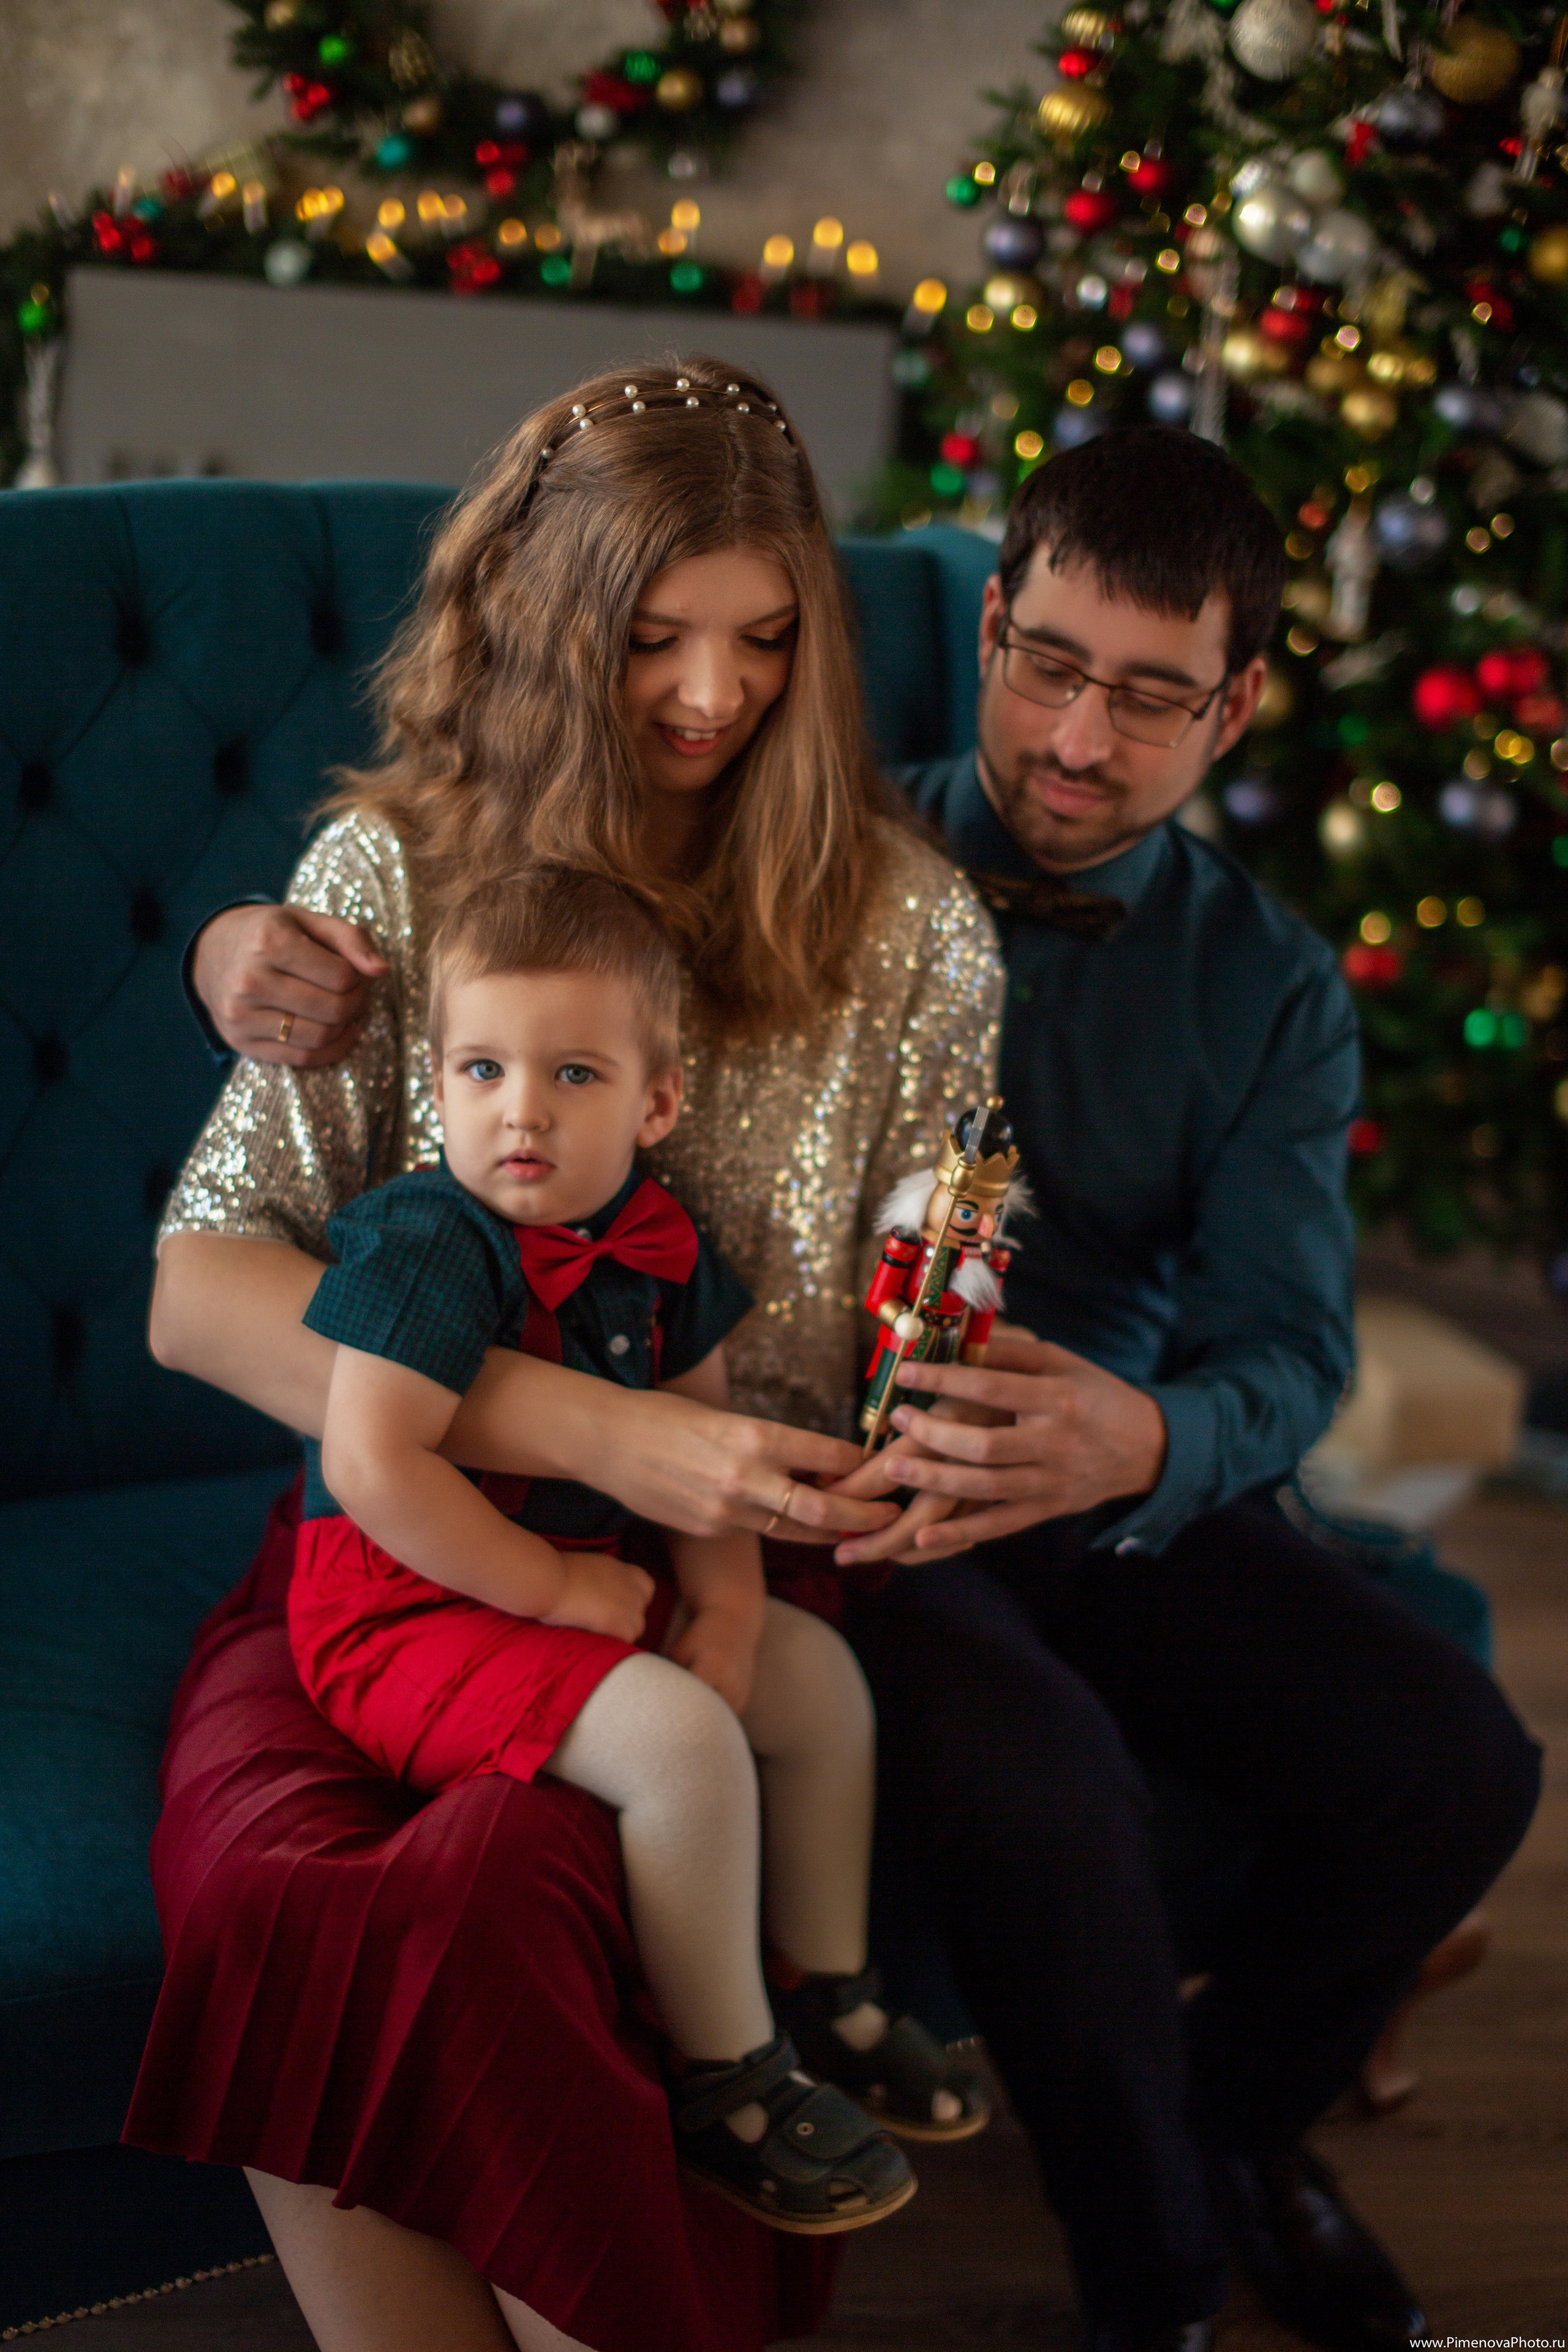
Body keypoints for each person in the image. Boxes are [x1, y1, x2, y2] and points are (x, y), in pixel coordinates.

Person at [137, 356, 1003, 2352]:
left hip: (714, 1560)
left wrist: (871, 1443)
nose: (715, 696)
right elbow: (200, 1294)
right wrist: (603, 1449)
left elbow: (906, 1299)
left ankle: (780, 2063)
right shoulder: (393, 885)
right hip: (422, 1537)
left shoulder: (911, 927)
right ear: (548, 623)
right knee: (338, 1891)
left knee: (552, 1874)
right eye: (653, 640)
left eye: (766, 642)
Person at [820, 428, 1542, 2351]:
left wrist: (1145, 1441)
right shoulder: (816, 860)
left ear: (1233, 705)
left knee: (1464, 1760)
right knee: (1047, 1777)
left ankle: (1240, 2139)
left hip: (1119, 1474)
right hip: (855, 1477)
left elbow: (1293, 1351)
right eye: (1049, 665)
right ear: (988, 627)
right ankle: (1153, 2290)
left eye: (1147, 698)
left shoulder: (1276, 991)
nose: (1075, 740)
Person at [291, 860, 972, 2233]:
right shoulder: (426, 1239)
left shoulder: (661, 1244)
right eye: (480, 1069)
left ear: (656, 1101)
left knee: (812, 1682)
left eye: (574, 1075)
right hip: (405, 1604)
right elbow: (369, 1464)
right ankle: (727, 2078)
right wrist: (548, 1585)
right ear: (436, 1087)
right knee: (678, 1742)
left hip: (577, 1585)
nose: (520, 1111)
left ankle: (829, 1987)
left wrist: (720, 1601)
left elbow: (698, 1450)